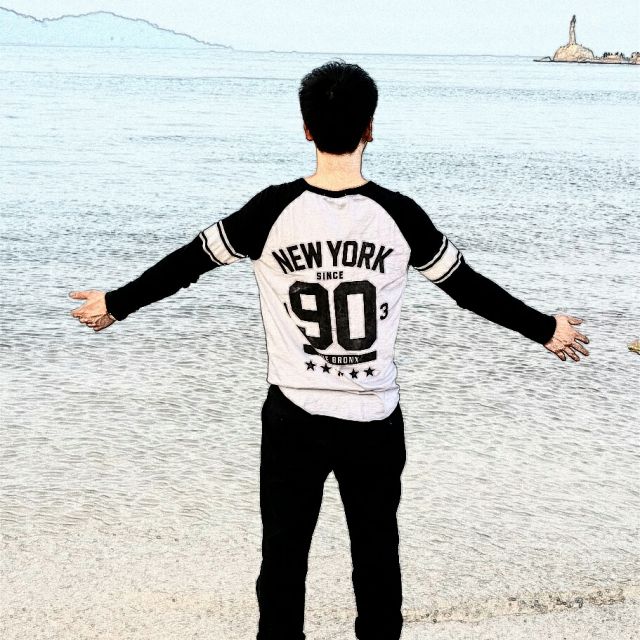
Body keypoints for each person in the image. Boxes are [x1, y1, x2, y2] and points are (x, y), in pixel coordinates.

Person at [69, 60, 590, 640]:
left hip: (293, 415)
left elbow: (187, 264)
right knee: (377, 557)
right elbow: (468, 290)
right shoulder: (400, 214)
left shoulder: (269, 210)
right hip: (375, 417)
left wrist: (116, 303)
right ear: (370, 128)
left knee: (284, 560)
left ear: (306, 128)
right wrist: (545, 329)